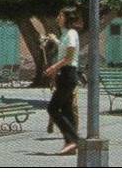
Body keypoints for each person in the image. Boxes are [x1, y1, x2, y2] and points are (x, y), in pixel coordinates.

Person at [44, 9, 81, 155]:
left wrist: (53, 67)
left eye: (60, 15)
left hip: (68, 74)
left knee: (52, 108)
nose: (57, 17)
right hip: (65, 74)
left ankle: (74, 140)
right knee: (66, 110)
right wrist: (55, 40)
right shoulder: (66, 34)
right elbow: (65, 49)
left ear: (67, 18)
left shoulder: (71, 33)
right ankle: (69, 144)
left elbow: (69, 57)